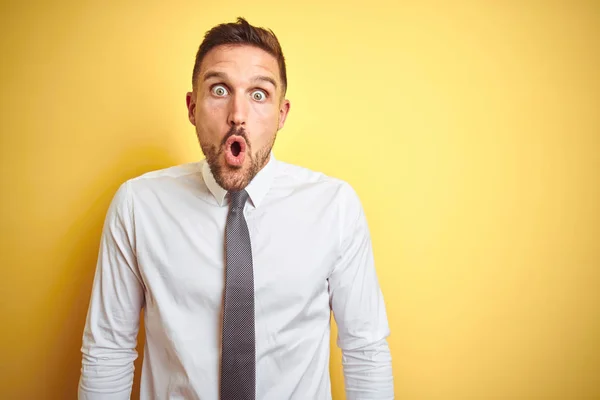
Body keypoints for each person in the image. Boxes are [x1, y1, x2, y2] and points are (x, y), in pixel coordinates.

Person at [78, 17, 394, 399]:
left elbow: (366, 351)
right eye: (219, 90)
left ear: (281, 114)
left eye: (259, 94)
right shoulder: (137, 206)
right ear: (192, 107)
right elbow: (107, 351)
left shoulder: (335, 207)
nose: (237, 115)